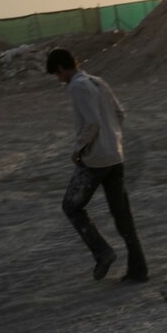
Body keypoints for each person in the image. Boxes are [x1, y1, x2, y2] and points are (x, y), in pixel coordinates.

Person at [46, 48, 148, 282]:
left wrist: (79, 149)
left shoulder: (77, 86)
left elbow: (91, 123)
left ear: (61, 68)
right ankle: (139, 268)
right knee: (122, 214)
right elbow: (120, 114)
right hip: (115, 156)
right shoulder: (98, 82)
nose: (58, 79)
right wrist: (113, 140)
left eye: (57, 74)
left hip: (96, 160)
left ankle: (102, 252)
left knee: (71, 207)